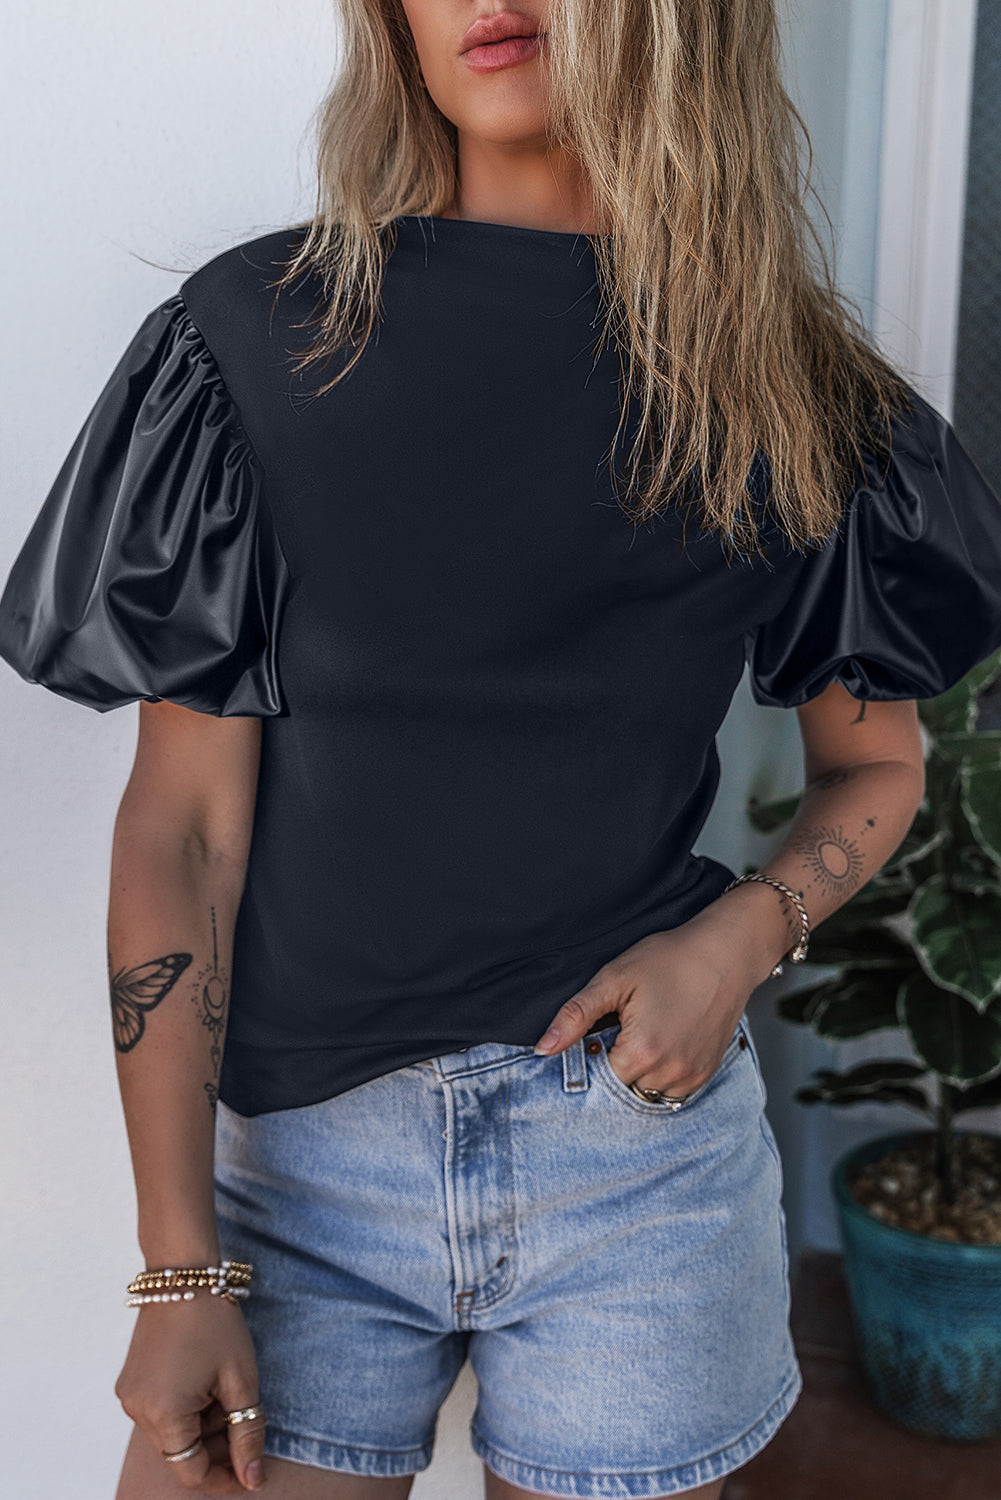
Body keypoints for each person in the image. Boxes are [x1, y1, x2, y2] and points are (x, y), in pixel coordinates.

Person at [3, 1, 1001, 1496]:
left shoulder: (790, 389)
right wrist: (176, 1265)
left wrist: (738, 940)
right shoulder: (257, 346)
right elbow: (183, 831)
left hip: (642, 1168)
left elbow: (879, 766)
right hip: (305, 1173)